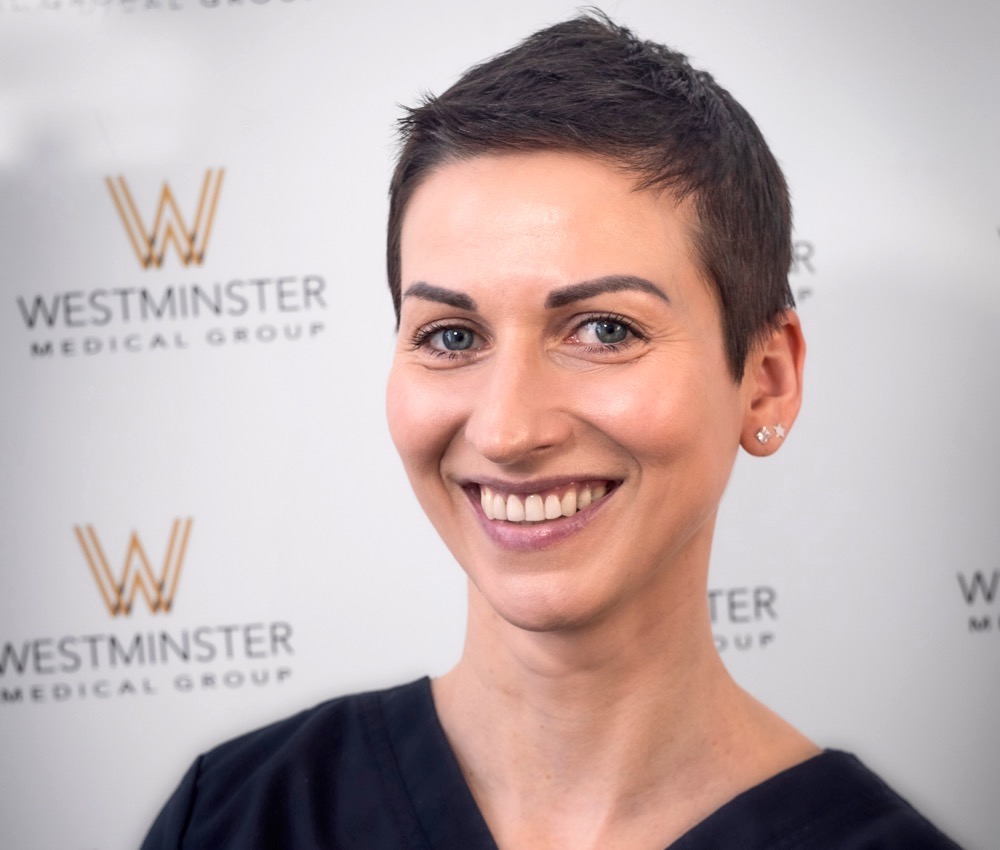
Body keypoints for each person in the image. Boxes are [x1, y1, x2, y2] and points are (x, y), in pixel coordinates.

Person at [141, 12, 960, 849]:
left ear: (766, 380)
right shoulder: (239, 814)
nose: (506, 429)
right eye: (452, 336)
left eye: (605, 331)